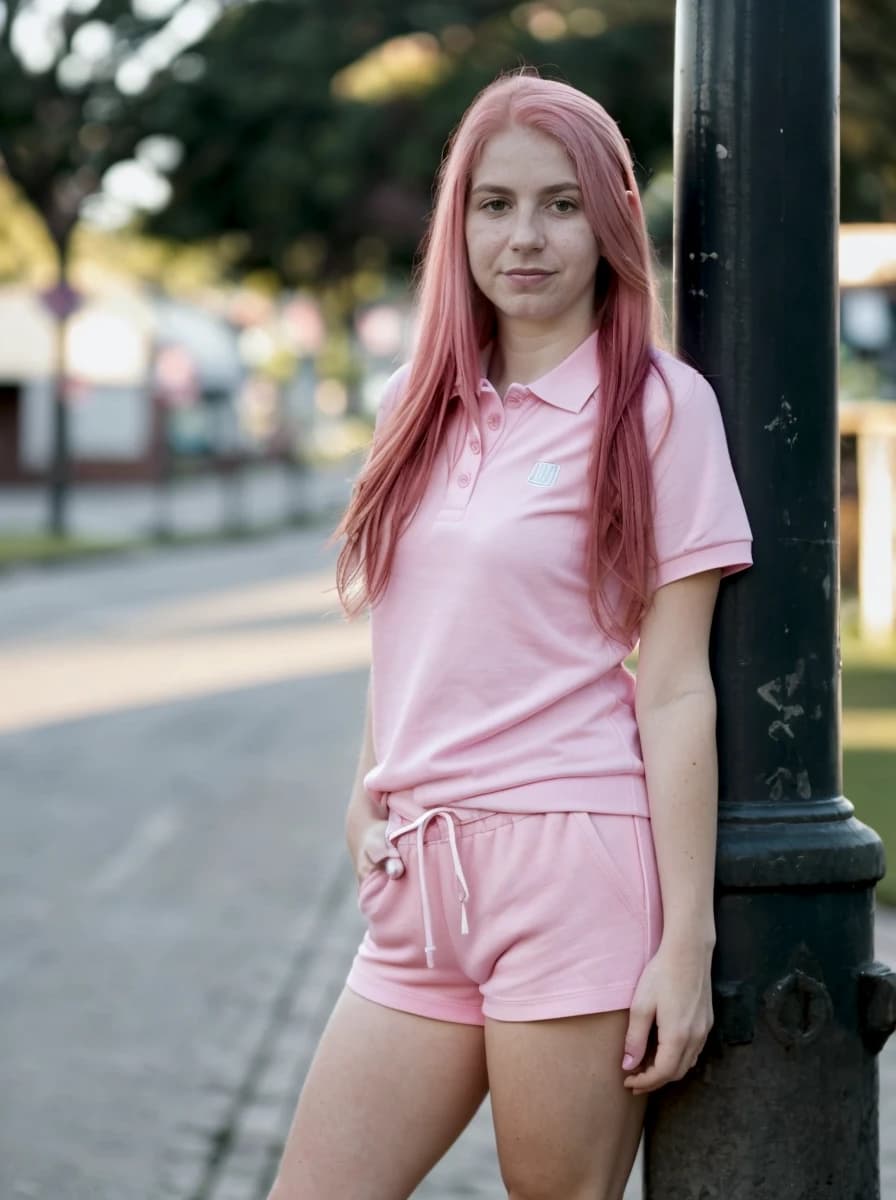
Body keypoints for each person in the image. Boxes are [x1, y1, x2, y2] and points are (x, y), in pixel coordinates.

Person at [268, 68, 753, 1200]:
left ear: (608, 221)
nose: (523, 237)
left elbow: (675, 685)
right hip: (418, 882)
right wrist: (365, 783)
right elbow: (410, 625)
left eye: (559, 203)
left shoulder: (657, 408)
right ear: (458, 221)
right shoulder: (411, 403)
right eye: (494, 203)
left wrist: (684, 947)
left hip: (568, 870)